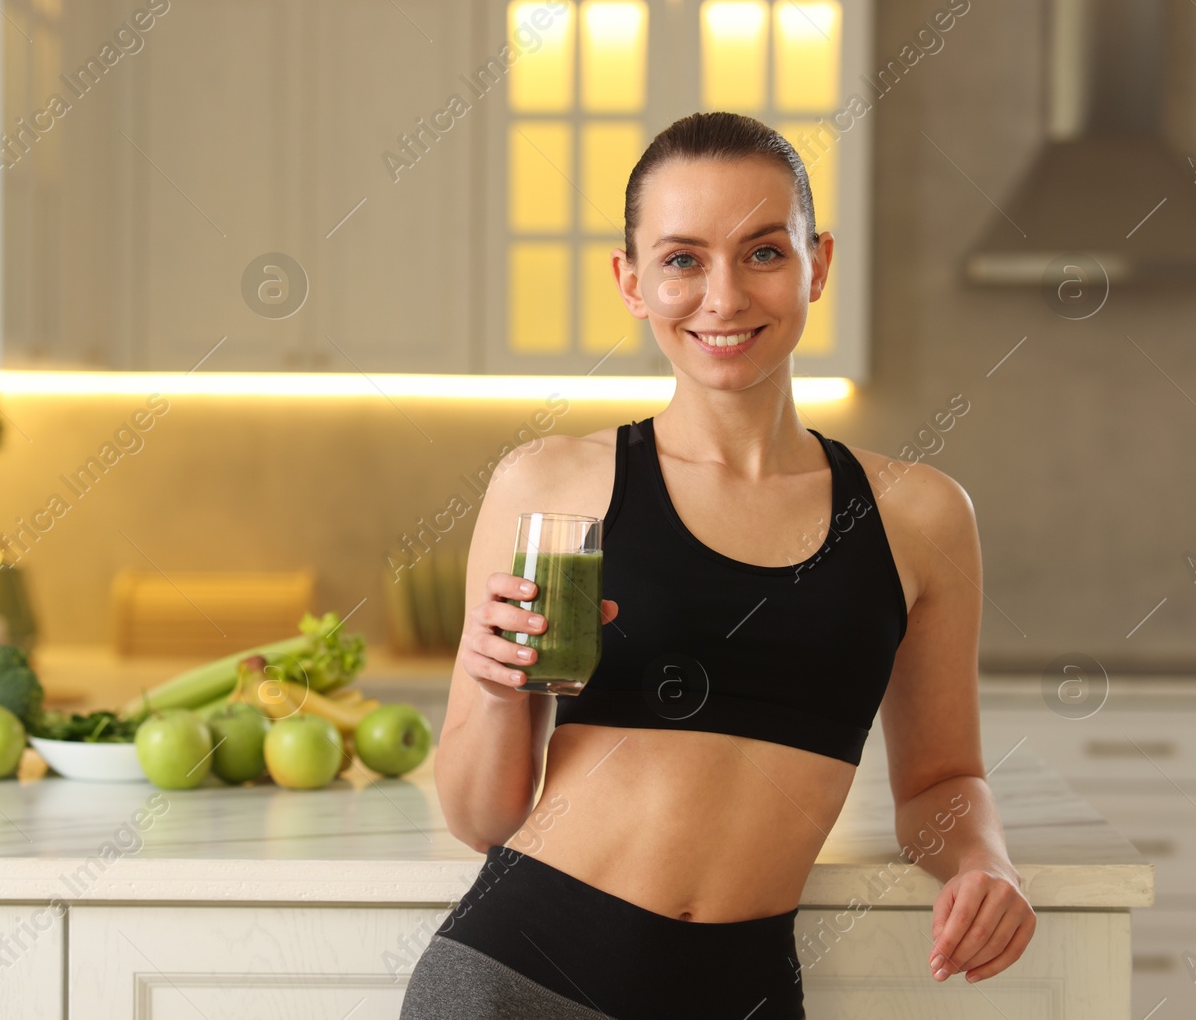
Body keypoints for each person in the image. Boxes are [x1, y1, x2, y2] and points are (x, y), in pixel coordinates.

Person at [398, 112, 1035, 1019]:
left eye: (763, 252)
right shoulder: (553, 484)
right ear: (631, 281)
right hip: (517, 979)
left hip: (741, 995)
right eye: (683, 259)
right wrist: (491, 676)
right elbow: (483, 820)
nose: (725, 297)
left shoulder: (920, 516)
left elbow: (939, 781)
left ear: (817, 262)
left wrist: (986, 860)